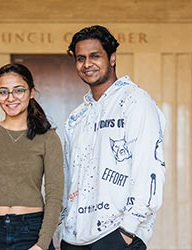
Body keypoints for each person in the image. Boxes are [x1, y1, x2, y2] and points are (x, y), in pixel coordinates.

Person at [59, 25, 166, 250]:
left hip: (116, 235)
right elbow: (68, 176)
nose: (87, 64)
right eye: (80, 58)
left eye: (95, 56)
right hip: (73, 238)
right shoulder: (76, 117)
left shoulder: (136, 102)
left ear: (113, 58)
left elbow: (148, 169)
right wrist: (62, 228)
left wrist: (127, 231)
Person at [0, 63, 64, 250]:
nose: (11, 98)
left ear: (31, 92)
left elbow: (55, 196)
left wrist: (41, 244)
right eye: (3, 92)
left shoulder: (48, 138)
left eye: (19, 90)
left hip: (32, 231)